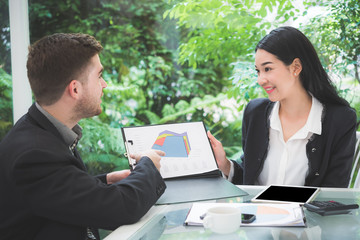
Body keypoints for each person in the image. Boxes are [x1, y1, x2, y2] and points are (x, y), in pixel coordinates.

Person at [0, 33, 166, 240]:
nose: (104, 84)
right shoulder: (34, 154)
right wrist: (148, 164)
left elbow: (53, 193)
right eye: (99, 76)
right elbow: (121, 208)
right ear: (75, 89)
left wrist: (105, 181)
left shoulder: (39, 132)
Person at [208, 26, 357, 188]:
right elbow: (250, 178)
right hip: (258, 212)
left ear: (296, 67)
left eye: (268, 69)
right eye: (258, 71)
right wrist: (224, 164)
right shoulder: (255, 113)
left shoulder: (340, 120)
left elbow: (334, 193)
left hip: (305, 214)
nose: (260, 79)